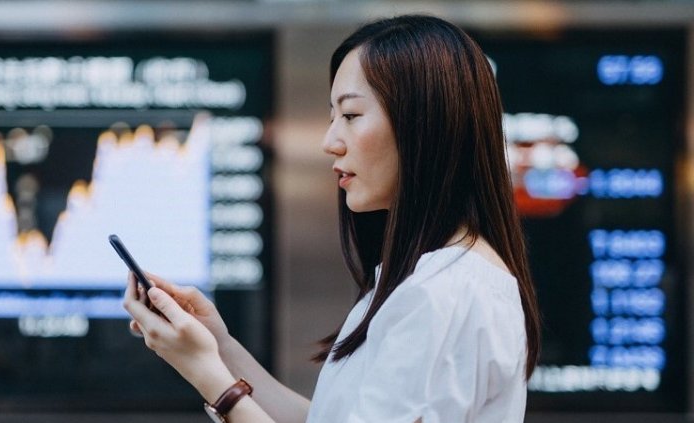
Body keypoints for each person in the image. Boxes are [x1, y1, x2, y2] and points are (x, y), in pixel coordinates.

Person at [123, 14, 541, 423]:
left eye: (352, 116)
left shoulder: (442, 292)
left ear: (426, 123)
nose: (329, 142)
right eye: (331, 117)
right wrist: (220, 348)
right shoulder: (431, 278)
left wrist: (208, 376)